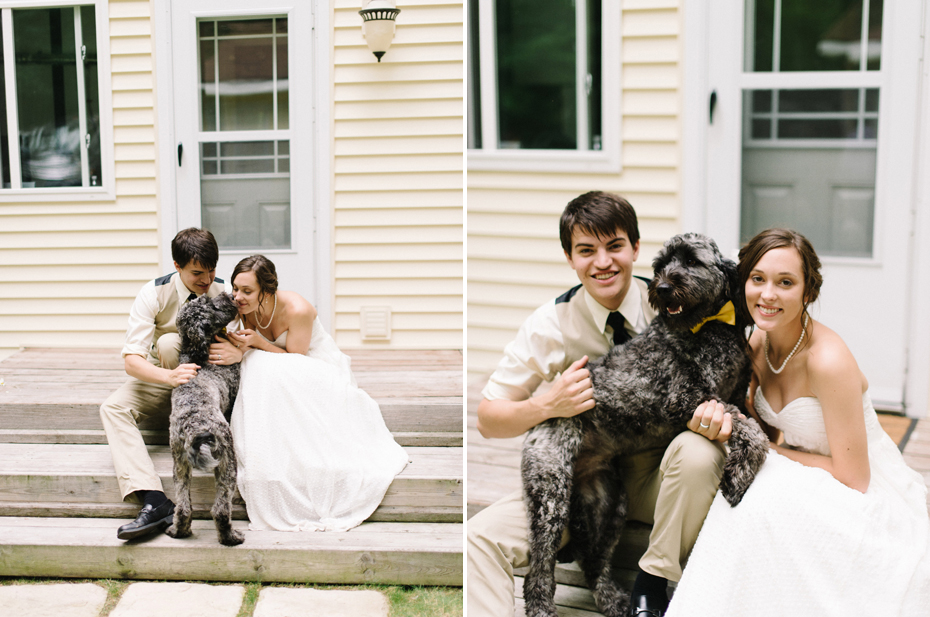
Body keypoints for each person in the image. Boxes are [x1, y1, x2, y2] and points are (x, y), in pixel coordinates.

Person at [468, 192, 734, 617]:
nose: (603, 262)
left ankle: (656, 582)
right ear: (569, 258)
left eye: (615, 246)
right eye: (586, 251)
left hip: (658, 478)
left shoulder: (677, 301)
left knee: (700, 453)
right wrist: (546, 405)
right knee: (477, 538)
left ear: (635, 248)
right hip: (580, 479)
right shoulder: (549, 324)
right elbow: (488, 420)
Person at [666, 228, 930, 615]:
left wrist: (772, 451)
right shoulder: (758, 342)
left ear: (808, 292)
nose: (768, 294)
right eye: (758, 279)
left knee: (754, 503)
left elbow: (855, 477)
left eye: (785, 282)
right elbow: (762, 427)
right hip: (799, 462)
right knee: (742, 494)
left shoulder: (828, 361)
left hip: (859, 484)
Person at [223, 255, 409, 532]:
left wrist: (257, 343)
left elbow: (296, 359)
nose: (237, 297)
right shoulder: (241, 306)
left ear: (268, 291)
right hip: (274, 367)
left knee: (258, 364)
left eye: (247, 291)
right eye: (235, 288)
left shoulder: (299, 310)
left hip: (313, 365)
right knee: (257, 365)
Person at [101, 228, 242, 540]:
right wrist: (169, 377)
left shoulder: (225, 295)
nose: (206, 280)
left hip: (209, 387)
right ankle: (153, 499)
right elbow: (132, 361)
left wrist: (239, 349)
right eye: (197, 273)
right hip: (166, 378)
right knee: (113, 407)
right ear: (177, 266)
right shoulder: (153, 293)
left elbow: (247, 338)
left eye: (212, 271)